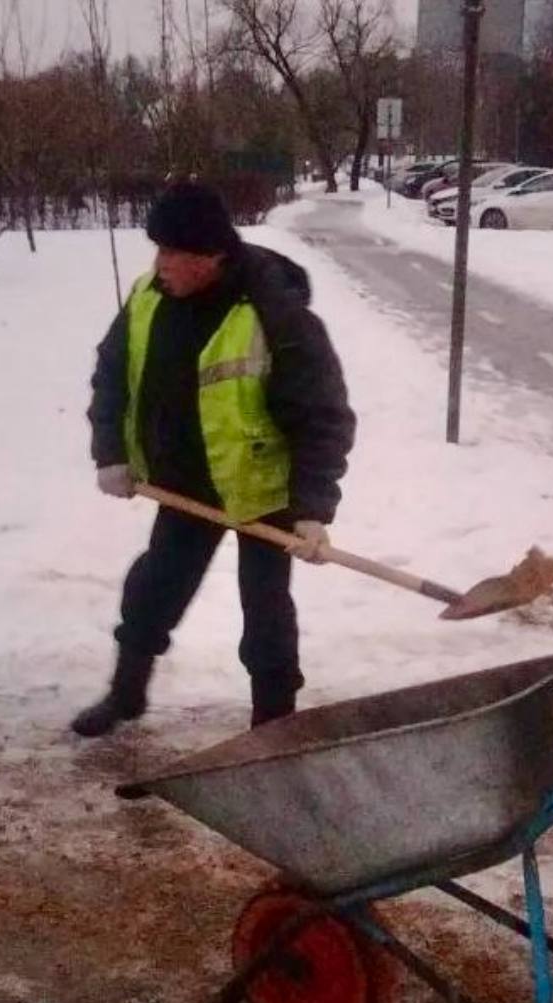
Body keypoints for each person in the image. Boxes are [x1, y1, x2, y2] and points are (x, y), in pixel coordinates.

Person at [76, 182, 355, 736]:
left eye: (173, 252)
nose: (161, 264)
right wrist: (110, 451)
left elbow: (323, 415)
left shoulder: (276, 313)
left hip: (262, 489)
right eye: (157, 250)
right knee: (154, 588)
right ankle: (126, 693)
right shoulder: (148, 296)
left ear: (210, 256)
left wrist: (312, 509)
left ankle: (273, 724)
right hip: (183, 484)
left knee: (266, 612)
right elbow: (112, 375)